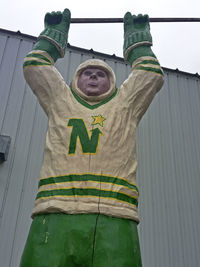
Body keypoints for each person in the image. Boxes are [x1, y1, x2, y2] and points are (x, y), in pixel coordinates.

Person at [20, 8, 164, 267]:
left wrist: (137, 41)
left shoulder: (125, 105)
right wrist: (53, 36)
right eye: (88, 73)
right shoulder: (60, 100)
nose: (94, 77)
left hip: (115, 216)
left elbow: (149, 75)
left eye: (101, 74)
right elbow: (36, 66)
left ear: (113, 82)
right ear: (76, 80)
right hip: (54, 212)